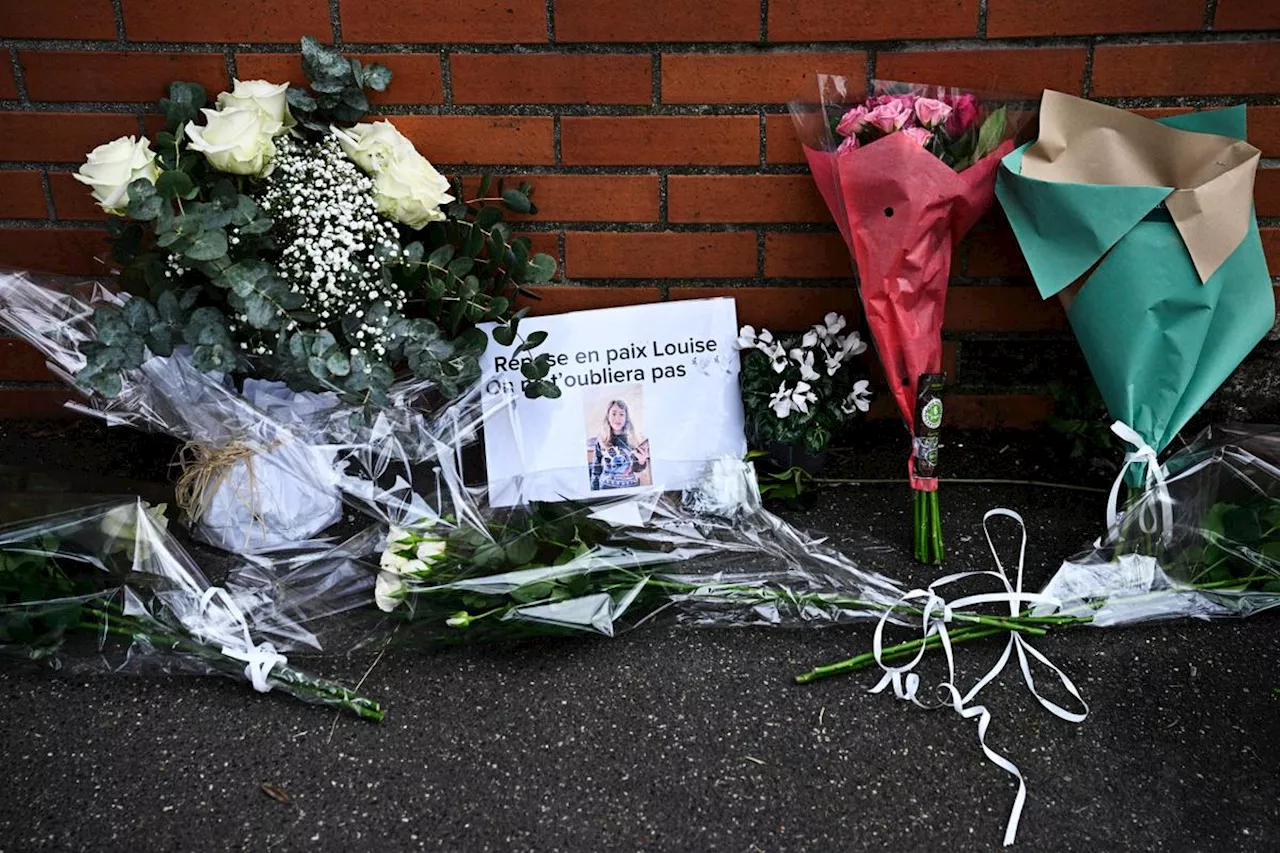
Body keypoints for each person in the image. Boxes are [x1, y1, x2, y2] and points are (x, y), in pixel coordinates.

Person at [587, 399, 651, 490]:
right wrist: (594, 492)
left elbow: (637, 469)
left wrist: (641, 461)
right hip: (605, 489)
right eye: (614, 414)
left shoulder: (634, 439)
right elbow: (596, 470)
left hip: (630, 489)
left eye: (621, 414)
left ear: (626, 418)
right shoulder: (601, 440)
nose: (618, 418)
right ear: (608, 416)